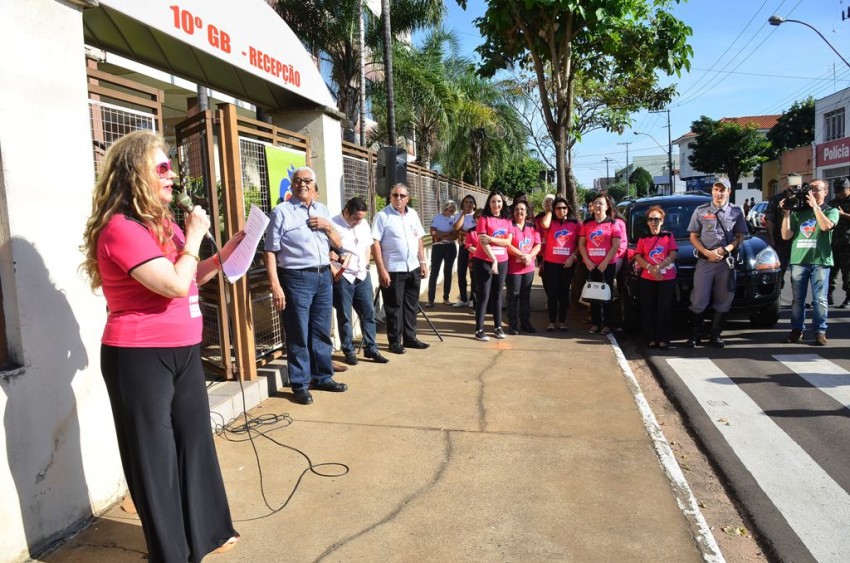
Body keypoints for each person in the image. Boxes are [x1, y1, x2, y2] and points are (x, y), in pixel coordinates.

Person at [80, 130, 242, 561]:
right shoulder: (120, 228)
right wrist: (193, 239)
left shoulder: (166, 225)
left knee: (194, 442)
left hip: (185, 350)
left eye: (171, 167)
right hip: (138, 356)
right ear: (135, 174)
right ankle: (169, 553)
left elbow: (191, 274)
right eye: (162, 168)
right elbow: (171, 283)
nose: (172, 175)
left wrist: (225, 253)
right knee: (155, 458)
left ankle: (204, 535)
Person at [264, 166, 347, 405]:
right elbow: (270, 252)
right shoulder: (281, 212)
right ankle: (300, 383)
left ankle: (323, 376)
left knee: (321, 330)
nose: (302, 184)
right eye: (298, 180)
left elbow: (338, 244)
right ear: (291, 185)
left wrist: (328, 226)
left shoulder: (322, 210)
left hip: (323, 276)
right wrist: (275, 286)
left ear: (314, 185)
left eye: (307, 180)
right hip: (296, 278)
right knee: (298, 332)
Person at [684, 178, 747, 348]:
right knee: (699, 299)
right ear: (712, 191)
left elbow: (740, 236)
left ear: (729, 192)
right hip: (705, 261)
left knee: (724, 298)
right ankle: (695, 336)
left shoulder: (736, 211)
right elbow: (693, 236)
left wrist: (725, 249)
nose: (719, 193)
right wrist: (706, 252)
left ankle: (715, 335)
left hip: (725, 262)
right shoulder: (701, 211)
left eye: (722, 190)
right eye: (716, 189)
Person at [372, 182, 430, 354]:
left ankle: (410, 338)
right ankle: (395, 341)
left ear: (408, 198)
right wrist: (381, 269)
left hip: (412, 267)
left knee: (411, 306)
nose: (398, 198)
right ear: (390, 197)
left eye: (402, 196)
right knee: (394, 307)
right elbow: (375, 243)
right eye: (395, 195)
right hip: (393, 269)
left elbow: (419, 238)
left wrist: (423, 262)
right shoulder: (382, 216)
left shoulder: (413, 214)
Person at [331, 197, 390, 366]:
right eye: (356, 218)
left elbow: (367, 246)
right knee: (345, 316)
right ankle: (348, 350)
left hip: (362, 275)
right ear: (346, 211)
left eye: (361, 218)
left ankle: (372, 348)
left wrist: (364, 266)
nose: (359, 221)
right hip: (343, 277)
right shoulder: (333, 224)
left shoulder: (363, 224)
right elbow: (328, 251)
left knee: (368, 313)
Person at [781, 178, 838, 346]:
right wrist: (786, 213)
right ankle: (796, 331)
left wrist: (815, 207)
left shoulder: (830, 210)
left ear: (826, 192)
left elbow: (826, 227)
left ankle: (820, 331)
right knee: (797, 300)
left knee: (820, 299)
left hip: (820, 261)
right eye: (810, 189)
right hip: (799, 260)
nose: (812, 192)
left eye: (817, 189)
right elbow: (786, 235)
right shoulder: (800, 211)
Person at [633, 205, 679, 350]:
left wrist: (659, 267)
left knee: (664, 308)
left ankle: (663, 339)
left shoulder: (668, 236)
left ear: (662, 221)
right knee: (649, 308)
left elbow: (673, 254)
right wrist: (650, 268)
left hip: (666, 278)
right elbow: (638, 256)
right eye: (651, 219)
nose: (654, 222)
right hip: (647, 278)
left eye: (657, 219)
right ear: (647, 222)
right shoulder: (643, 238)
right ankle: (650, 338)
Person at [578, 193, 623, 336]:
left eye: (601, 203)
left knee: (606, 295)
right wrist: (587, 261)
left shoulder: (613, 223)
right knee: (594, 295)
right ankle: (596, 323)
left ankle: (607, 324)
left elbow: (615, 245)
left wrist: (604, 262)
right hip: (591, 265)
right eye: (596, 203)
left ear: (607, 206)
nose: (598, 206)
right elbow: (581, 244)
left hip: (607, 265)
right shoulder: (587, 223)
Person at [472, 191, 513, 341]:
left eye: (499, 201)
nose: (497, 204)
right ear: (489, 204)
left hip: (503, 261)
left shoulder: (507, 220)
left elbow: (508, 242)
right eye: (493, 201)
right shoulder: (484, 218)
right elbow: (483, 242)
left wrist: (491, 238)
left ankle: (498, 327)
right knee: (484, 295)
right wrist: (493, 259)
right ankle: (479, 329)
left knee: (497, 295)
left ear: (503, 203)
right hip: (484, 260)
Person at [538, 196, 581, 332]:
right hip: (551, 263)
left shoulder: (575, 224)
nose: (561, 210)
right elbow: (544, 225)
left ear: (568, 209)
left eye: (564, 208)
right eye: (558, 208)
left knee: (563, 293)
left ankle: (562, 321)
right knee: (552, 294)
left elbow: (581, 244)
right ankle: (551, 321)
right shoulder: (550, 222)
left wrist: (573, 256)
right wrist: (550, 211)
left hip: (567, 264)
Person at [505, 200, 541, 334]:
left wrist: (530, 256)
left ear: (526, 212)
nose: (519, 212)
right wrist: (522, 255)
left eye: (522, 210)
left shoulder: (532, 227)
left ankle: (525, 322)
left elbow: (538, 244)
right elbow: (507, 245)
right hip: (513, 268)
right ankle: (513, 324)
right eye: (516, 209)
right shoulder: (510, 226)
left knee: (525, 295)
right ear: (513, 212)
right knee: (513, 295)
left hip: (528, 267)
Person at [427, 199, 458, 307]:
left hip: (450, 247)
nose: (452, 211)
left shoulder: (454, 219)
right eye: (450, 208)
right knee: (434, 273)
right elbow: (433, 233)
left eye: (454, 209)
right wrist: (447, 234)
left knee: (448, 273)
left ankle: (446, 298)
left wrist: (441, 235)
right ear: (445, 208)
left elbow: (455, 236)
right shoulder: (437, 217)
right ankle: (430, 300)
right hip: (438, 247)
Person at [827, 177, 850, 308]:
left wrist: (843, 215)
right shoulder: (833, 202)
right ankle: (828, 296)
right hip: (833, 243)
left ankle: (848, 298)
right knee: (830, 271)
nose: (839, 193)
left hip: (848, 244)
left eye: (841, 190)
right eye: (837, 191)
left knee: (847, 274)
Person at [452, 195, 477, 307]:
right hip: (463, 247)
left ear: (474, 204)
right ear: (463, 204)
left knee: (473, 274)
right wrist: (463, 214)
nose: (469, 204)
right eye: (466, 202)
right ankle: (463, 298)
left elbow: (477, 231)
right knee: (461, 273)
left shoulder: (477, 216)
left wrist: (465, 232)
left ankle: (473, 299)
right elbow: (456, 227)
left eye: (471, 202)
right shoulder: (458, 215)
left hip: (474, 249)